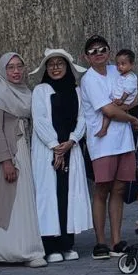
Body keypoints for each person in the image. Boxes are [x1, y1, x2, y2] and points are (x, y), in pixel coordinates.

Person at [0, 53, 47, 267]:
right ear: (2, 70)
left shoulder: (25, 92)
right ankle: (4, 251)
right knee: (6, 200)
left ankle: (27, 248)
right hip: (8, 153)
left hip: (23, 150)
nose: (16, 71)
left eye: (20, 66)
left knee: (24, 200)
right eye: (11, 67)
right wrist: (6, 161)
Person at [32, 49, 92, 262]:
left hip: (71, 149)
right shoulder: (40, 90)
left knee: (68, 194)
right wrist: (55, 146)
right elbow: (39, 120)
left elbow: (83, 118)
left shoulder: (76, 91)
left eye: (60, 63)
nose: (56, 68)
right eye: (51, 64)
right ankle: (50, 245)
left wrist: (72, 140)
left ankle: (68, 243)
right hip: (48, 150)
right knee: (49, 195)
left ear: (67, 67)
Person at [80, 36, 138, 260]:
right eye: (93, 51)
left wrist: (124, 108)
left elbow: (132, 96)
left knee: (119, 190)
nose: (98, 54)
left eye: (102, 49)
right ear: (86, 57)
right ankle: (100, 242)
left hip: (123, 141)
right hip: (102, 143)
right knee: (102, 189)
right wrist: (134, 121)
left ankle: (116, 240)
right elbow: (109, 111)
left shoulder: (119, 70)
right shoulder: (89, 79)